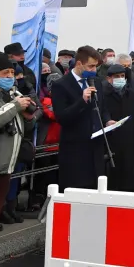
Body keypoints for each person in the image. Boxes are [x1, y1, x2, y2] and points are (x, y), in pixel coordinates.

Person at [0, 52, 36, 267]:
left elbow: (22, 127)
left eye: (11, 74)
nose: (10, 78)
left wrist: (29, 114)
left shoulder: (10, 94)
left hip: (6, 166)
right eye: (4, 73)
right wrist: (15, 106)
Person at [52, 45, 108, 191]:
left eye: (96, 66)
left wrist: (108, 120)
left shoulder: (97, 82)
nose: (94, 70)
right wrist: (81, 101)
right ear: (79, 64)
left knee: (96, 191)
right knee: (76, 191)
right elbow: (62, 117)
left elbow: (102, 108)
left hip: (95, 148)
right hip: (75, 150)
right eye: (91, 66)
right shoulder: (61, 85)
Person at [100, 63, 134, 191]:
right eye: (116, 76)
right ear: (109, 79)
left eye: (122, 76)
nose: (120, 79)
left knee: (128, 183)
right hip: (110, 145)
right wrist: (107, 121)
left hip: (129, 144)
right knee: (111, 183)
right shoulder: (103, 95)